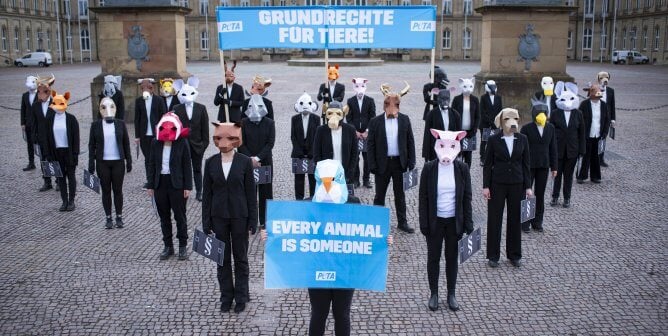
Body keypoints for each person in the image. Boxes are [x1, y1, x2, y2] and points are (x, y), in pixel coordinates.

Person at [202, 122, 257, 314]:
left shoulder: (244, 162)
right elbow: (207, 194)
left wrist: (253, 220)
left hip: (240, 216)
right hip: (219, 217)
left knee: (240, 258)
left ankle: (241, 296)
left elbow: (251, 193)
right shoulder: (210, 163)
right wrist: (206, 221)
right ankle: (226, 296)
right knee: (222, 259)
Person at [420, 129, 473, 312]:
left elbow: (467, 197)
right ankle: (434, 293)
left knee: (451, 259)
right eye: (442, 146)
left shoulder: (462, 169)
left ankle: (451, 293)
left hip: (453, 222)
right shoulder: (429, 168)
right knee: (433, 259)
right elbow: (423, 198)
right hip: (435, 222)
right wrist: (424, 223)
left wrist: (468, 224)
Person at [483, 108, 532, 268]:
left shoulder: (523, 139)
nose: (512, 123)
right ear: (501, 121)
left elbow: (526, 164)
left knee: (515, 219)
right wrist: (486, 186)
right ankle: (493, 255)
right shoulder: (494, 140)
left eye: (515, 119)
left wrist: (528, 186)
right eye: (508, 119)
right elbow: (488, 164)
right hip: (497, 183)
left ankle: (514, 255)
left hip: (516, 184)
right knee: (494, 219)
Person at [367, 82, 416, 234]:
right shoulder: (375, 122)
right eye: (388, 103)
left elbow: (410, 141)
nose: (391, 106)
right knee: (379, 195)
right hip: (383, 164)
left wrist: (411, 161)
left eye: (394, 104)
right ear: (384, 104)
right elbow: (371, 145)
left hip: (399, 163)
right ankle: (377, 223)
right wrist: (372, 165)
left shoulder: (404, 119)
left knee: (399, 195)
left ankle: (402, 222)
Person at [147, 113, 192, 261]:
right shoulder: (155, 143)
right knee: (164, 217)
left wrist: (188, 186)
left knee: (180, 217)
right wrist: (151, 185)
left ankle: (182, 246)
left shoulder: (182, 143)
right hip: (161, 183)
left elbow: (187, 165)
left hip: (177, 184)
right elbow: (151, 164)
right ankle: (168, 246)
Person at [88, 97, 132, 229]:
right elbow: (92, 145)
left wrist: (128, 160)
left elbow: (126, 143)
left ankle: (119, 216)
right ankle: (108, 217)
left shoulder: (120, 124)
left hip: (118, 161)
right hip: (103, 162)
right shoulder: (95, 126)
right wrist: (91, 162)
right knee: (106, 191)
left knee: (118, 190)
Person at [239, 93, 275, 229]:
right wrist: (251, 159)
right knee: (249, 193)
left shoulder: (270, 123)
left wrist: (258, 158)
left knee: (266, 193)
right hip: (248, 163)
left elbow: (270, 143)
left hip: (264, 163)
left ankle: (265, 221)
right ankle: (251, 222)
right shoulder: (243, 123)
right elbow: (240, 143)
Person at [520, 102, 557, 233]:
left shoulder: (550, 128)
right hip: (529, 165)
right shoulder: (526, 128)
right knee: (527, 193)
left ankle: (537, 222)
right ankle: (525, 223)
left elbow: (553, 147)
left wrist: (554, 167)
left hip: (543, 165)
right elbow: (522, 148)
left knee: (540, 194)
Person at [172, 76, 210, 201]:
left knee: (197, 169)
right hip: (182, 144)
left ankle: (199, 191)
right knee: (182, 169)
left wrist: (204, 145)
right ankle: (184, 190)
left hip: (197, 145)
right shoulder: (177, 109)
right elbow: (174, 127)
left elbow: (205, 129)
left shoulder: (201, 108)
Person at [550, 82, 586, 208]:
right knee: (557, 174)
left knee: (568, 176)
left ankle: (567, 198)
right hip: (558, 149)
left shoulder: (578, 114)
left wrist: (582, 150)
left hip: (572, 150)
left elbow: (582, 133)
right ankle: (555, 196)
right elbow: (551, 132)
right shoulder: (555, 113)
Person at [44, 90, 80, 212]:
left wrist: (75, 154)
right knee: (60, 178)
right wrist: (48, 154)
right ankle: (64, 201)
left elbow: (76, 138)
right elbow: (47, 138)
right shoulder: (50, 119)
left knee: (71, 176)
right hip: (56, 152)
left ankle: (71, 201)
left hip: (68, 152)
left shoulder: (71, 119)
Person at [312, 101, 358, 185]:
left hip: (345, 172)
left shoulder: (350, 130)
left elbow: (354, 152)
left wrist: (350, 172)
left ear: (343, 114)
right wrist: (322, 170)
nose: (334, 117)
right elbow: (316, 153)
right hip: (326, 174)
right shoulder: (321, 130)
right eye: (330, 113)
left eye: (337, 113)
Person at [135, 78, 167, 190]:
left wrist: (163, 133)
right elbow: (137, 119)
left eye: (148, 87)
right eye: (143, 88)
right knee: (147, 158)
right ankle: (149, 180)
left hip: (156, 134)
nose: (146, 90)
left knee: (157, 157)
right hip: (144, 135)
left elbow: (163, 116)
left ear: (152, 88)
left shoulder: (159, 100)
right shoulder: (139, 101)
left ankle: (158, 179)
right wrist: (137, 136)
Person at [345, 77, 376, 189]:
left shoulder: (370, 101)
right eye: (357, 86)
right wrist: (355, 131)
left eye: (361, 86)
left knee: (367, 158)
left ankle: (366, 180)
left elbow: (373, 117)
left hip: (367, 135)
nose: (359, 89)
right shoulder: (350, 101)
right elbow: (348, 118)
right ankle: (356, 180)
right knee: (355, 158)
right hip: (355, 135)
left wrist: (367, 131)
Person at [577, 84, 610, 184]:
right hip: (587, 135)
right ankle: (581, 176)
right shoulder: (584, 104)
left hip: (598, 134)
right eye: (595, 91)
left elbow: (606, 120)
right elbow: (579, 119)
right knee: (585, 156)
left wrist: (604, 133)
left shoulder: (603, 105)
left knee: (596, 156)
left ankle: (595, 176)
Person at [291, 92, 320, 200]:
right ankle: (299, 200)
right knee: (298, 179)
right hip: (298, 154)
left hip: (312, 154)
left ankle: (313, 198)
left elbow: (317, 137)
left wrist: (313, 152)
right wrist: (299, 151)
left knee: (313, 178)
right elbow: (293, 136)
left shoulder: (316, 119)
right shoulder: (294, 119)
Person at [422, 88, 461, 162]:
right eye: (443, 99)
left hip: (450, 149)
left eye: (447, 99)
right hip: (436, 149)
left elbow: (458, 135)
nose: (445, 102)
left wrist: (459, 153)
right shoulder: (431, 114)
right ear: (438, 99)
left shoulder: (455, 115)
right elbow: (427, 135)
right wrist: (426, 155)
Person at [32, 74, 56, 191]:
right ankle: (47, 182)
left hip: (53, 137)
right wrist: (34, 138)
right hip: (41, 137)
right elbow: (34, 122)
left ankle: (58, 180)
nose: (41, 94)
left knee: (55, 159)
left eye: (44, 91)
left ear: (49, 92)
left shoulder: (56, 102)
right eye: (39, 92)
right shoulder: (35, 105)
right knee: (43, 159)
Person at [451, 77, 480, 168]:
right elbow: (453, 115)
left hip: (470, 132)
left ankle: (467, 171)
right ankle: (458, 170)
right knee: (458, 152)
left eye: (471, 86)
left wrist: (474, 129)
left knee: (468, 154)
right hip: (459, 132)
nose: (468, 89)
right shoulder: (456, 99)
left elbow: (478, 116)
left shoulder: (475, 100)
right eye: (465, 86)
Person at [479, 80, 503, 166]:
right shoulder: (483, 98)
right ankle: (482, 158)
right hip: (486, 124)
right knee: (484, 141)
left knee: (496, 141)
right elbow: (483, 112)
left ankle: (494, 158)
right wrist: (490, 122)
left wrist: (497, 122)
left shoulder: (498, 98)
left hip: (496, 124)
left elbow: (500, 110)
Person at [597, 71, 616, 167]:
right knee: (595, 137)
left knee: (603, 138)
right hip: (596, 117)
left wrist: (613, 119)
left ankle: (601, 159)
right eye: (602, 78)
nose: (604, 80)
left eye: (606, 78)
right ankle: (594, 157)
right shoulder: (595, 89)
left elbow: (612, 105)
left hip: (606, 118)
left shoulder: (611, 91)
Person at [21, 75, 38, 171]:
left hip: (38, 124)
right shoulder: (25, 95)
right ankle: (31, 163)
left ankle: (44, 163)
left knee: (40, 144)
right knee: (29, 144)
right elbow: (23, 109)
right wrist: (22, 123)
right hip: (28, 124)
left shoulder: (40, 94)